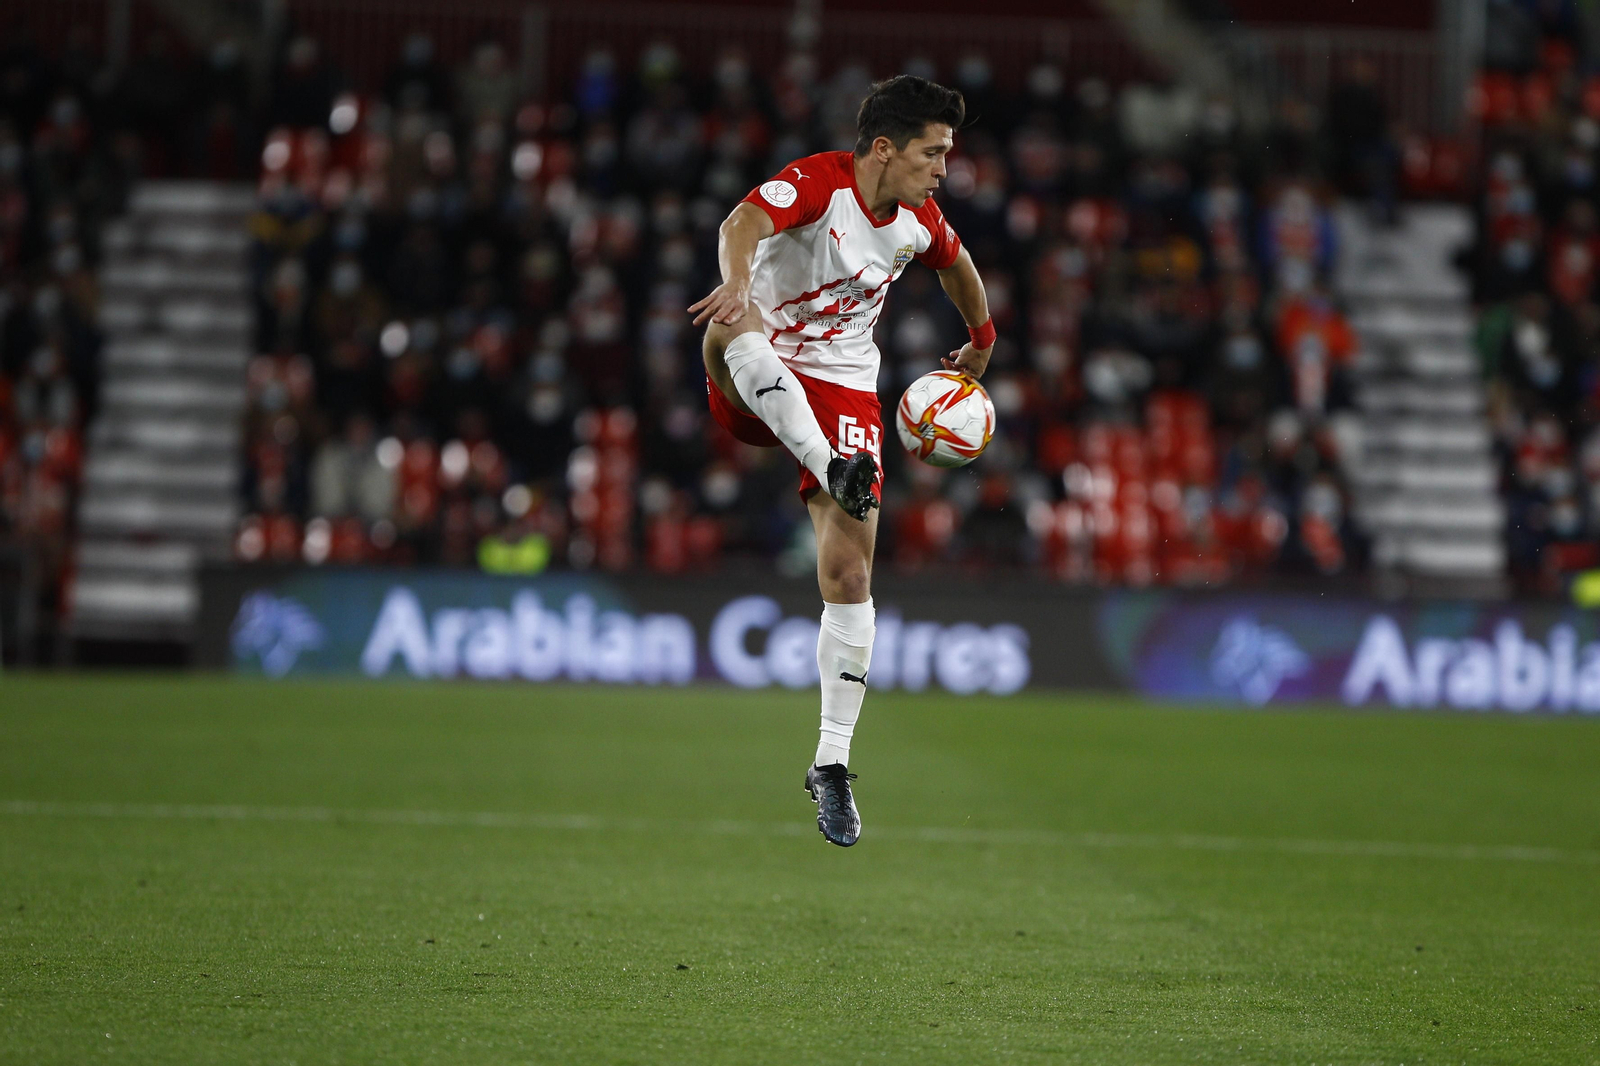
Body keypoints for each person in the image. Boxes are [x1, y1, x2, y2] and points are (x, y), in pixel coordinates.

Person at [687, 75, 995, 847]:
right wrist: (733, 279)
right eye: (932, 151)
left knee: (850, 576)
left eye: (947, 153)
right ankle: (831, 467)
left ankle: (830, 764)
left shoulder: (918, 218)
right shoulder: (819, 183)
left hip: (845, 391)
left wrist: (983, 339)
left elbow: (959, 268)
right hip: (758, 365)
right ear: (884, 149)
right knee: (732, 328)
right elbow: (744, 219)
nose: (942, 168)